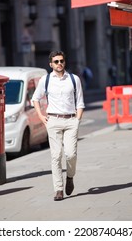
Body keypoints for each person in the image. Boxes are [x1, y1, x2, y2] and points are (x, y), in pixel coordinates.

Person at [32, 50, 85, 201]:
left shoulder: (74, 79)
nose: (59, 63)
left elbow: (80, 102)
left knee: (71, 154)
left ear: (64, 62)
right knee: (55, 156)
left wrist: (77, 121)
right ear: (51, 64)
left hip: (70, 121)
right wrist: (41, 117)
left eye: (61, 61)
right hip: (53, 121)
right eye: (56, 61)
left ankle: (70, 177)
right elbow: (35, 99)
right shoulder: (45, 80)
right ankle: (58, 189)